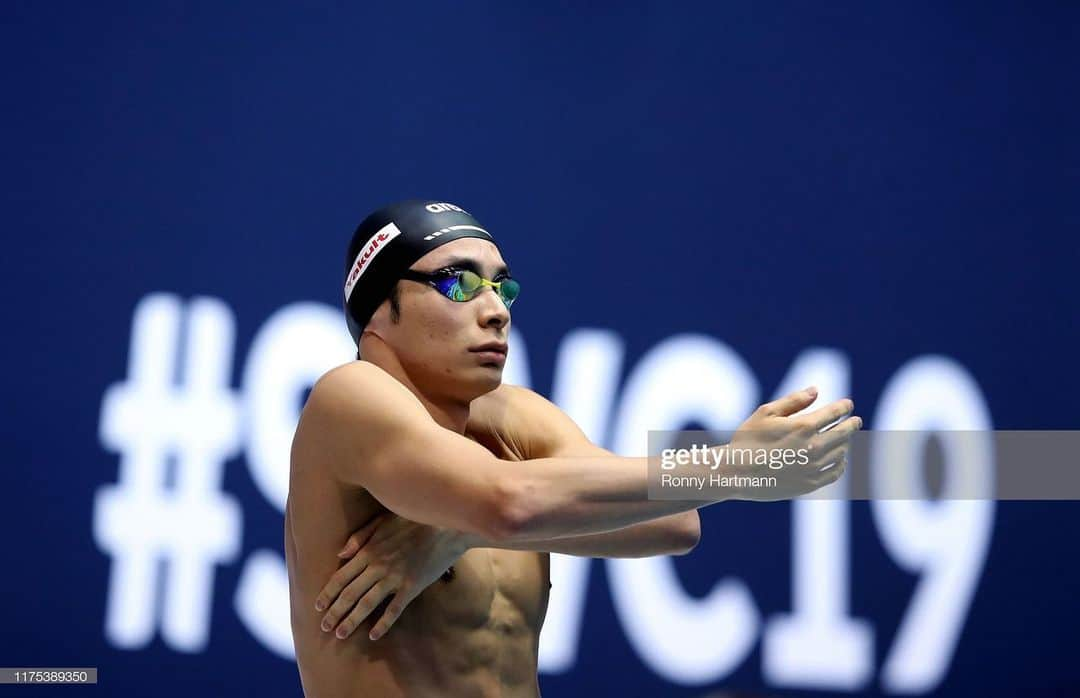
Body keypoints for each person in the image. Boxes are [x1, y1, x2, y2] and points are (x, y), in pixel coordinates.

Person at [285, 200, 861, 697]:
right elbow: (506, 504)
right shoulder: (349, 397)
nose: (496, 310)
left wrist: (449, 530)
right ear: (380, 309)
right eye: (459, 283)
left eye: (501, 286)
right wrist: (731, 464)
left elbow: (675, 523)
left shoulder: (517, 418)